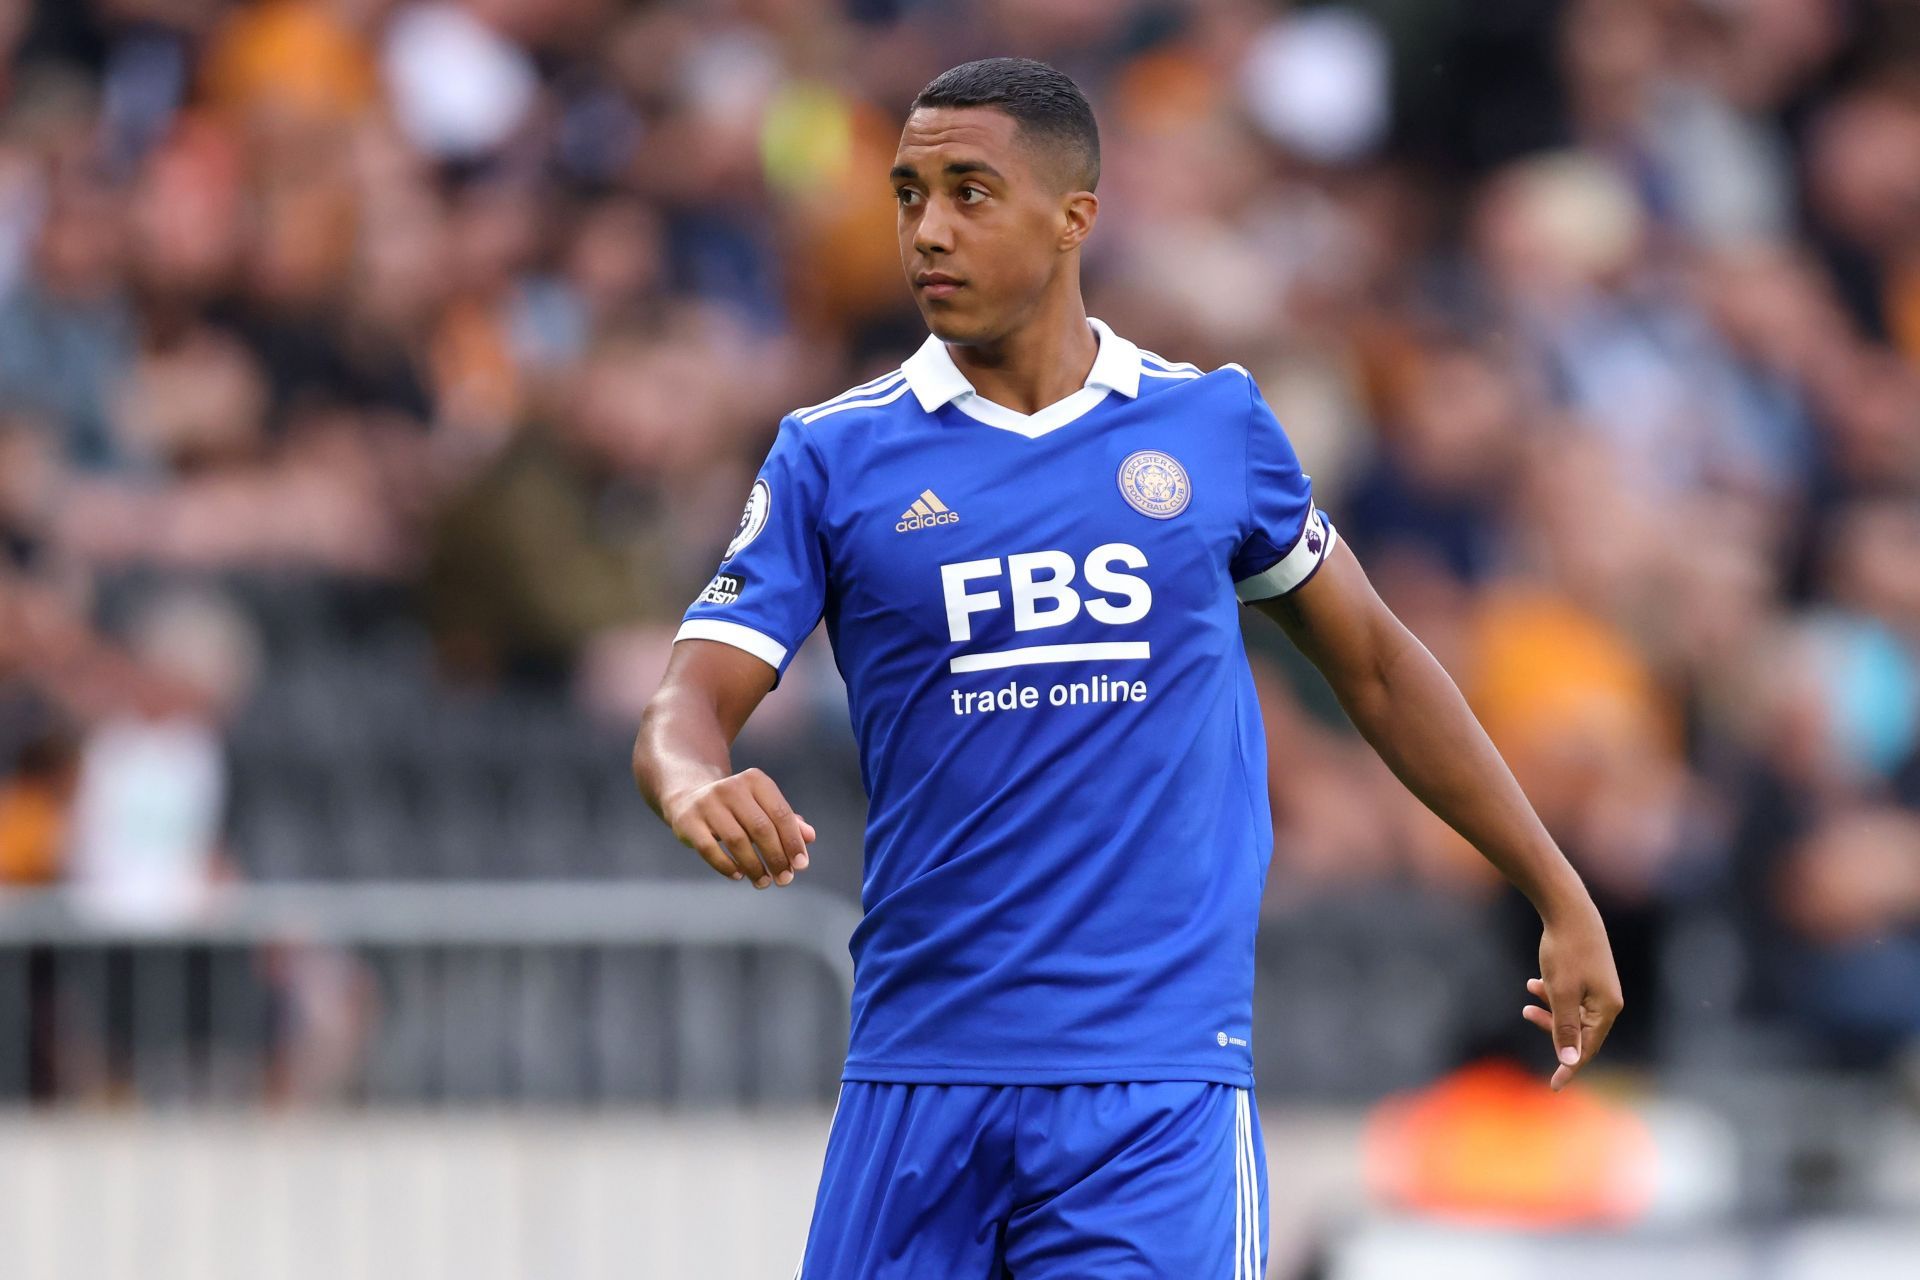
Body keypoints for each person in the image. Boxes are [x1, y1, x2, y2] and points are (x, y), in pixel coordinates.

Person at [633, 57, 1622, 1279]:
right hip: (920, 1072)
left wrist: (1553, 884)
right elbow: (689, 696)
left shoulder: (1209, 427)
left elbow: (1374, 661)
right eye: (907, 193)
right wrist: (691, 781)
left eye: (969, 191)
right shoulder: (831, 455)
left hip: (1152, 1088)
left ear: (1073, 217)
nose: (927, 229)